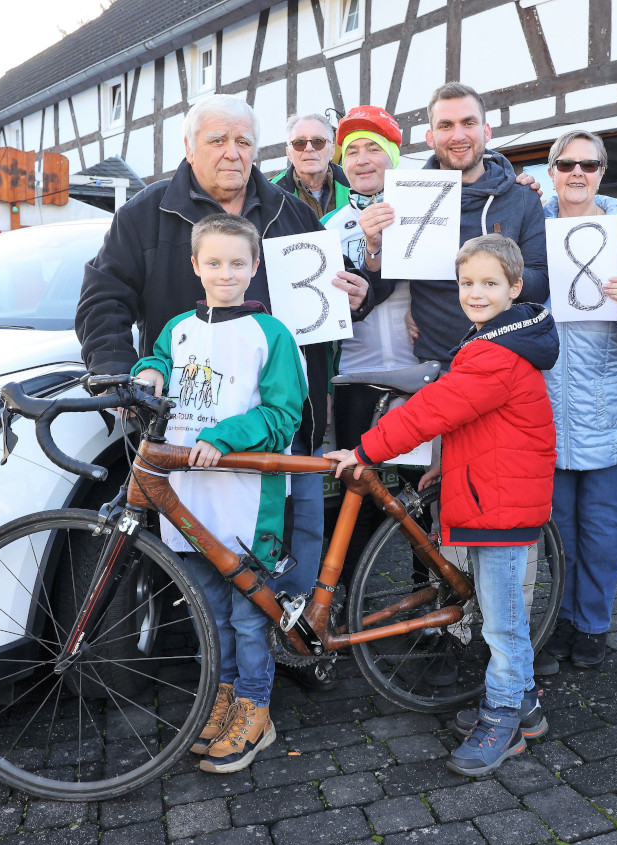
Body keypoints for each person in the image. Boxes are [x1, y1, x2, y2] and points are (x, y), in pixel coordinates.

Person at [75, 94, 382, 691]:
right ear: (189, 148)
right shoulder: (145, 215)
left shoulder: (290, 214)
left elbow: (336, 293)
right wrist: (119, 369)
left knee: (292, 536)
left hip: (283, 418)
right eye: (218, 140)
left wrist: (356, 294)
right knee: (206, 548)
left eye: (244, 141)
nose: (233, 153)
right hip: (193, 423)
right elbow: (103, 297)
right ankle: (223, 671)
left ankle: (293, 649)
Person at [328, 234, 558, 777]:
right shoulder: (499, 338)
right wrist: (448, 465)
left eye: (488, 283)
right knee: (497, 615)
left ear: (515, 288)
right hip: (493, 493)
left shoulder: (494, 353)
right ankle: (525, 707)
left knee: (502, 625)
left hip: (499, 508)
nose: (474, 293)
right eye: (466, 284)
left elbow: (431, 410)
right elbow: (477, 424)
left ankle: (502, 719)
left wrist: (364, 449)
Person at [131, 213, 308, 774]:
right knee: (208, 608)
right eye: (214, 263)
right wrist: (151, 371)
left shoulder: (271, 334)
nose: (225, 273)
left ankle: (256, 706)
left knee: (249, 614)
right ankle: (226, 695)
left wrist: (222, 438)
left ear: (255, 268)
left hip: (245, 503)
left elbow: (284, 415)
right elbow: (162, 358)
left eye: (237, 263)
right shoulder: (179, 326)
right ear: (195, 267)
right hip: (188, 496)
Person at [532, 130, 617, 675]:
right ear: (551, 171)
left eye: (589, 164)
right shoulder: (532, 232)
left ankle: (593, 624)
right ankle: (557, 618)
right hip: (548, 405)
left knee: (602, 524)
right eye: (566, 163)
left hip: (610, 403)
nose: (576, 173)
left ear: (603, 172)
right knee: (555, 525)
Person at [357, 82, 549, 364]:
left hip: (510, 359)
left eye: (468, 123)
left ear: (486, 131)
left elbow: (541, 285)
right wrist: (374, 247)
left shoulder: (521, 196)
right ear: (431, 137)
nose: (458, 135)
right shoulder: (407, 195)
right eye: (446, 125)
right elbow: (381, 291)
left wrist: (495, 263)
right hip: (436, 365)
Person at [323, 105, 418, 576]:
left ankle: (433, 594)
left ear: (393, 157)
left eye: (373, 149)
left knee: (426, 488)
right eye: (353, 151)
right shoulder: (329, 225)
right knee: (356, 487)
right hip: (354, 375)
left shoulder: (422, 209)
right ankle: (346, 599)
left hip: (422, 371)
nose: (362, 160)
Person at [272, 113, 350, 218]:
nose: (309, 148)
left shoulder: (353, 182)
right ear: (289, 153)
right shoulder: (271, 193)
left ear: (332, 150)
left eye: (318, 141)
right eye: (299, 142)